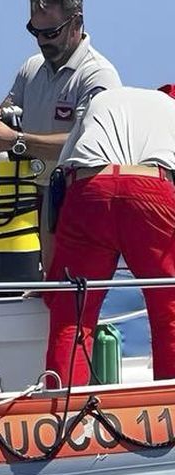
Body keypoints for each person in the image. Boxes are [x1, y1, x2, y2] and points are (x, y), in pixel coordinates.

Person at [0, 0, 121, 271]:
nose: (42, 41)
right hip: (30, 199)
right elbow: (8, 108)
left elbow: (85, 148)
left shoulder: (97, 76)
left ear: (76, 22)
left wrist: (15, 142)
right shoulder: (32, 69)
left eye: (51, 32)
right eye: (34, 31)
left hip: (75, 205)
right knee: (29, 291)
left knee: (66, 292)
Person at [43, 86, 175, 387]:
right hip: (150, 190)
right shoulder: (170, 111)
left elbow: (61, 180)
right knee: (169, 310)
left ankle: (65, 416)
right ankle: (168, 411)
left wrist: (51, 274)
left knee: (72, 317)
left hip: (89, 189)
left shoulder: (101, 100)